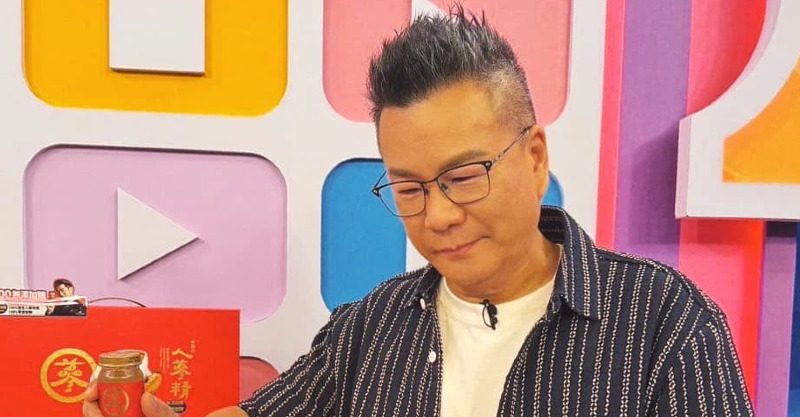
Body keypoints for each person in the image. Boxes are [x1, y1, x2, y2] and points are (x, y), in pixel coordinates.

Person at [84, 6, 753, 417]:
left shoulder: (665, 324)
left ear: (534, 157)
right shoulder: (371, 326)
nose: (437, 216)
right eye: (409, 188)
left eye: (463, 177)